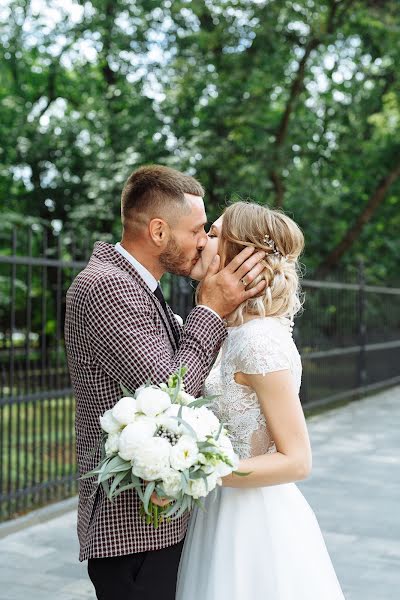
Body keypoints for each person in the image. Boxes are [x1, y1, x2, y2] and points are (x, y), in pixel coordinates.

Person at [64, 165, 266, 600]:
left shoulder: (140, 286)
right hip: (133, 534)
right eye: (197, 230)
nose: (203, 241)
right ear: (158, 231)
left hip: (158, 529)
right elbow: (170, 394)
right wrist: (210, 310)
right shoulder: (106, 287)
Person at [177, 201, 346, 599]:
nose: (202, 241)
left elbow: (297, 459)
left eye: (214, 234)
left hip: (254, 523)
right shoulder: (228, 331)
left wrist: (200, 473)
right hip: (216, 513)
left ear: (243, 255)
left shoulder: (258, 342)